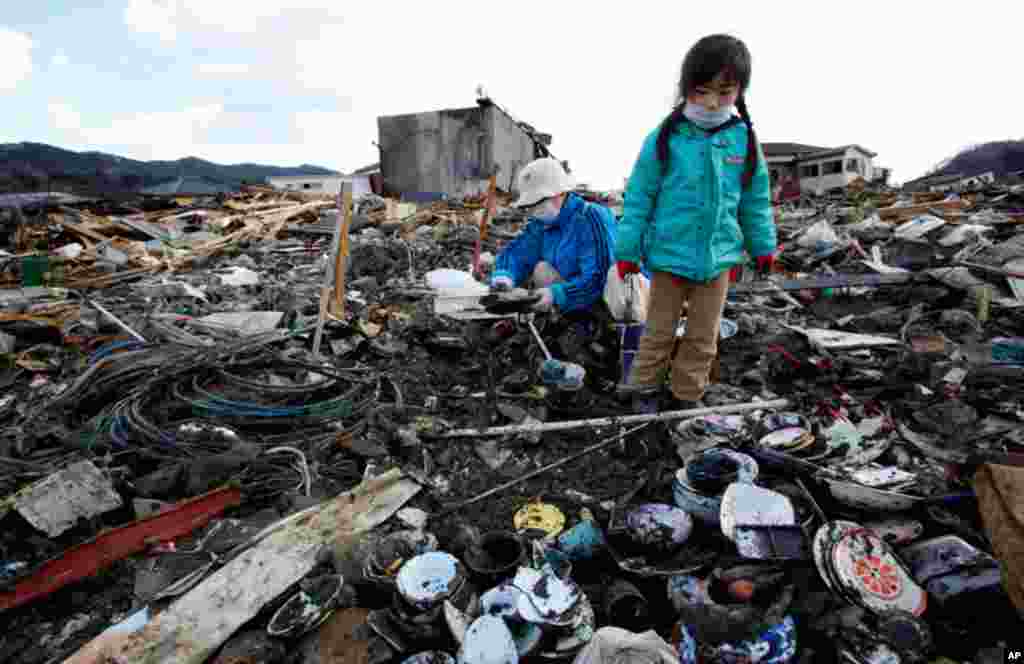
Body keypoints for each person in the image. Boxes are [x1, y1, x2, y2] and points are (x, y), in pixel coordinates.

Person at [615, 34, 777, 413]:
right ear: (686, 88)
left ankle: (686, 397)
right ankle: (643, 389)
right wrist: (627, 250)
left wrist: (763, 245)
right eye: (702, 91)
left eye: (724, 92)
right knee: (658, 331)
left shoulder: (744, 141)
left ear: (740, 90)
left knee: (704, 337)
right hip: (669, 257)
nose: (711, 102)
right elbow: (639, 197)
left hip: (718, 260)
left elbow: (755, 199)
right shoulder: (665, 138)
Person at [489, 157, 617, 317]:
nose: (534, 210)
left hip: (603, 301)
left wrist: (556, 295)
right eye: (530, 206)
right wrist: (504, 276)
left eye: (539, 202)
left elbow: (599, 278)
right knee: (541, 269)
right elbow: (519, 252)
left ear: (561, 193)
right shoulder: (542, 223)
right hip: (568, 297)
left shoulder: (590, 218)